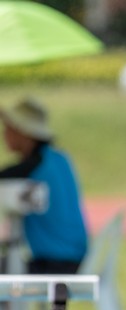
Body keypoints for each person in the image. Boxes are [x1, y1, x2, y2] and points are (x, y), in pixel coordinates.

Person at [0, 96, 88, 274]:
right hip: (75, 256)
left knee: (8, 269)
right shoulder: (58, 158)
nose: (4, 134)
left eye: (9, 128)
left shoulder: (35, 166)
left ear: (24, 132)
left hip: (57, 262)